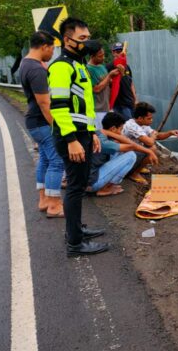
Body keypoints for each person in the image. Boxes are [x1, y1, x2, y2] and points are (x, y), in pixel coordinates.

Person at [48, 17, 108, 257]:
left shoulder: (78, 64)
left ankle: (77, 230)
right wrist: (72, 139)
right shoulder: (62, 66)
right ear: (67, 39)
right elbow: (59, 106)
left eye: (87, 37)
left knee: (79, 185)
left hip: (82, 133)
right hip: (69, 136)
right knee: (75, 187)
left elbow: (85, 105)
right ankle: (75, 243)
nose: (87, 42)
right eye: (82, 38)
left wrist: (91, 132)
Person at [19, 31, 65, 218]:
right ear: (44, 46)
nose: (52, 53)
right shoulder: (36, 69)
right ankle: (54, 205)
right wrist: (58, 127)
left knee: (46, 159)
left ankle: (44, 200)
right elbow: (45, 103)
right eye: (52, 48)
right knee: (57, 160)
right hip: (42, 121)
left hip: (34, 121)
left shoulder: (26, 63)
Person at [88, 112, 158, 195]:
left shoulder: (98, 133)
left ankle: (106, 185)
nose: (121, 133)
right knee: (131, 155)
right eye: (120, 129)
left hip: (88, 178)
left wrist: (114, 135)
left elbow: (124, 141)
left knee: (120, 152)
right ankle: (105, 188)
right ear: (113, 128)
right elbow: (132, 146)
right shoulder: (105, 143)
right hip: (92, 183)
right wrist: (149, 151)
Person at [122, 102, 178, 184]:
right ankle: (134, 173)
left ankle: (138, 168)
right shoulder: (132, 126)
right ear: (140, 118)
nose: (151, 120)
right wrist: (153, 136)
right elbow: (150, 142)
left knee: (150, 148)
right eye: (149, 118)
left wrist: (169, 133)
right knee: (152, 148)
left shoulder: (143, 124)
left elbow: (157, 135)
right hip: (124, 155)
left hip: (132, 151)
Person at [86, 42, 119, 128]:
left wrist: (118, 75)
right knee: (100, 134)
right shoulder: (88, 69)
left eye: (103, 55)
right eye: (100, 56)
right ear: (92, 56)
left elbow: (109, 83)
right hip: (97, 109)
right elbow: (96, 89)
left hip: (107, 107)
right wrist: (109, 75)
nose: (103, 58)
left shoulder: (102, 67)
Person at [107, 42, 137, 120]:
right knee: (126, 126)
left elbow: (131, 83)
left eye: (121, 51)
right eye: (117, 52)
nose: (119, 54)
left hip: (130, 101)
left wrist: (135, 99)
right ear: (113, 52)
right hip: (119, 103)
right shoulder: (109, 66)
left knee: (134, 124)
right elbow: (107, 84)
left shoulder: (127, 66)